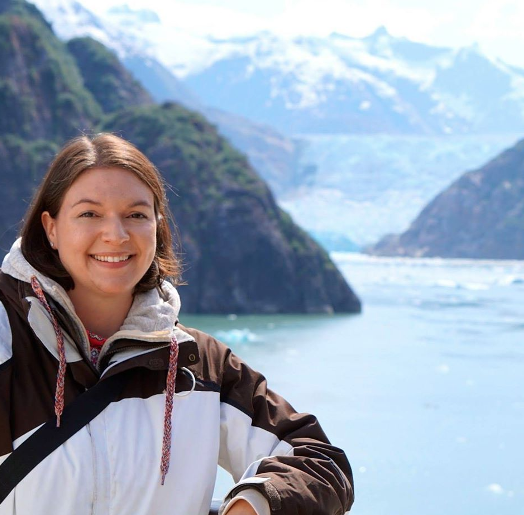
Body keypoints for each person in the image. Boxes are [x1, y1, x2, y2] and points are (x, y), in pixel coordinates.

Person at [0, 133, 354, 515]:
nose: (116, 235)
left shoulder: (199, 365)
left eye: (136, 215)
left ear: (157, 225)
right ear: (51, 228)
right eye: (89, 214)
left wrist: (254, 503)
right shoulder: (7, 339)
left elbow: (320, 462)